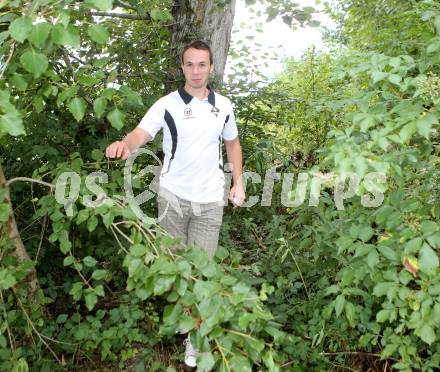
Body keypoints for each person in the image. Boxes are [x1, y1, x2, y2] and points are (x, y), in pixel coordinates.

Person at [105, 40, 245, 367]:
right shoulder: (166, 104)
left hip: (210, 199)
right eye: (190, 64)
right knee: (176, 266)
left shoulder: (223, 105)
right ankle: (186, 322)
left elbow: (234, 144)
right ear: (182, 67)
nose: (196, 71)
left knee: (201, 272)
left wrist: (238, 181)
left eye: (202, 64)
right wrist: (125, 144)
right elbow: (142, 133)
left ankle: (194, 342)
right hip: (173, 198)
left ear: (212, 68)